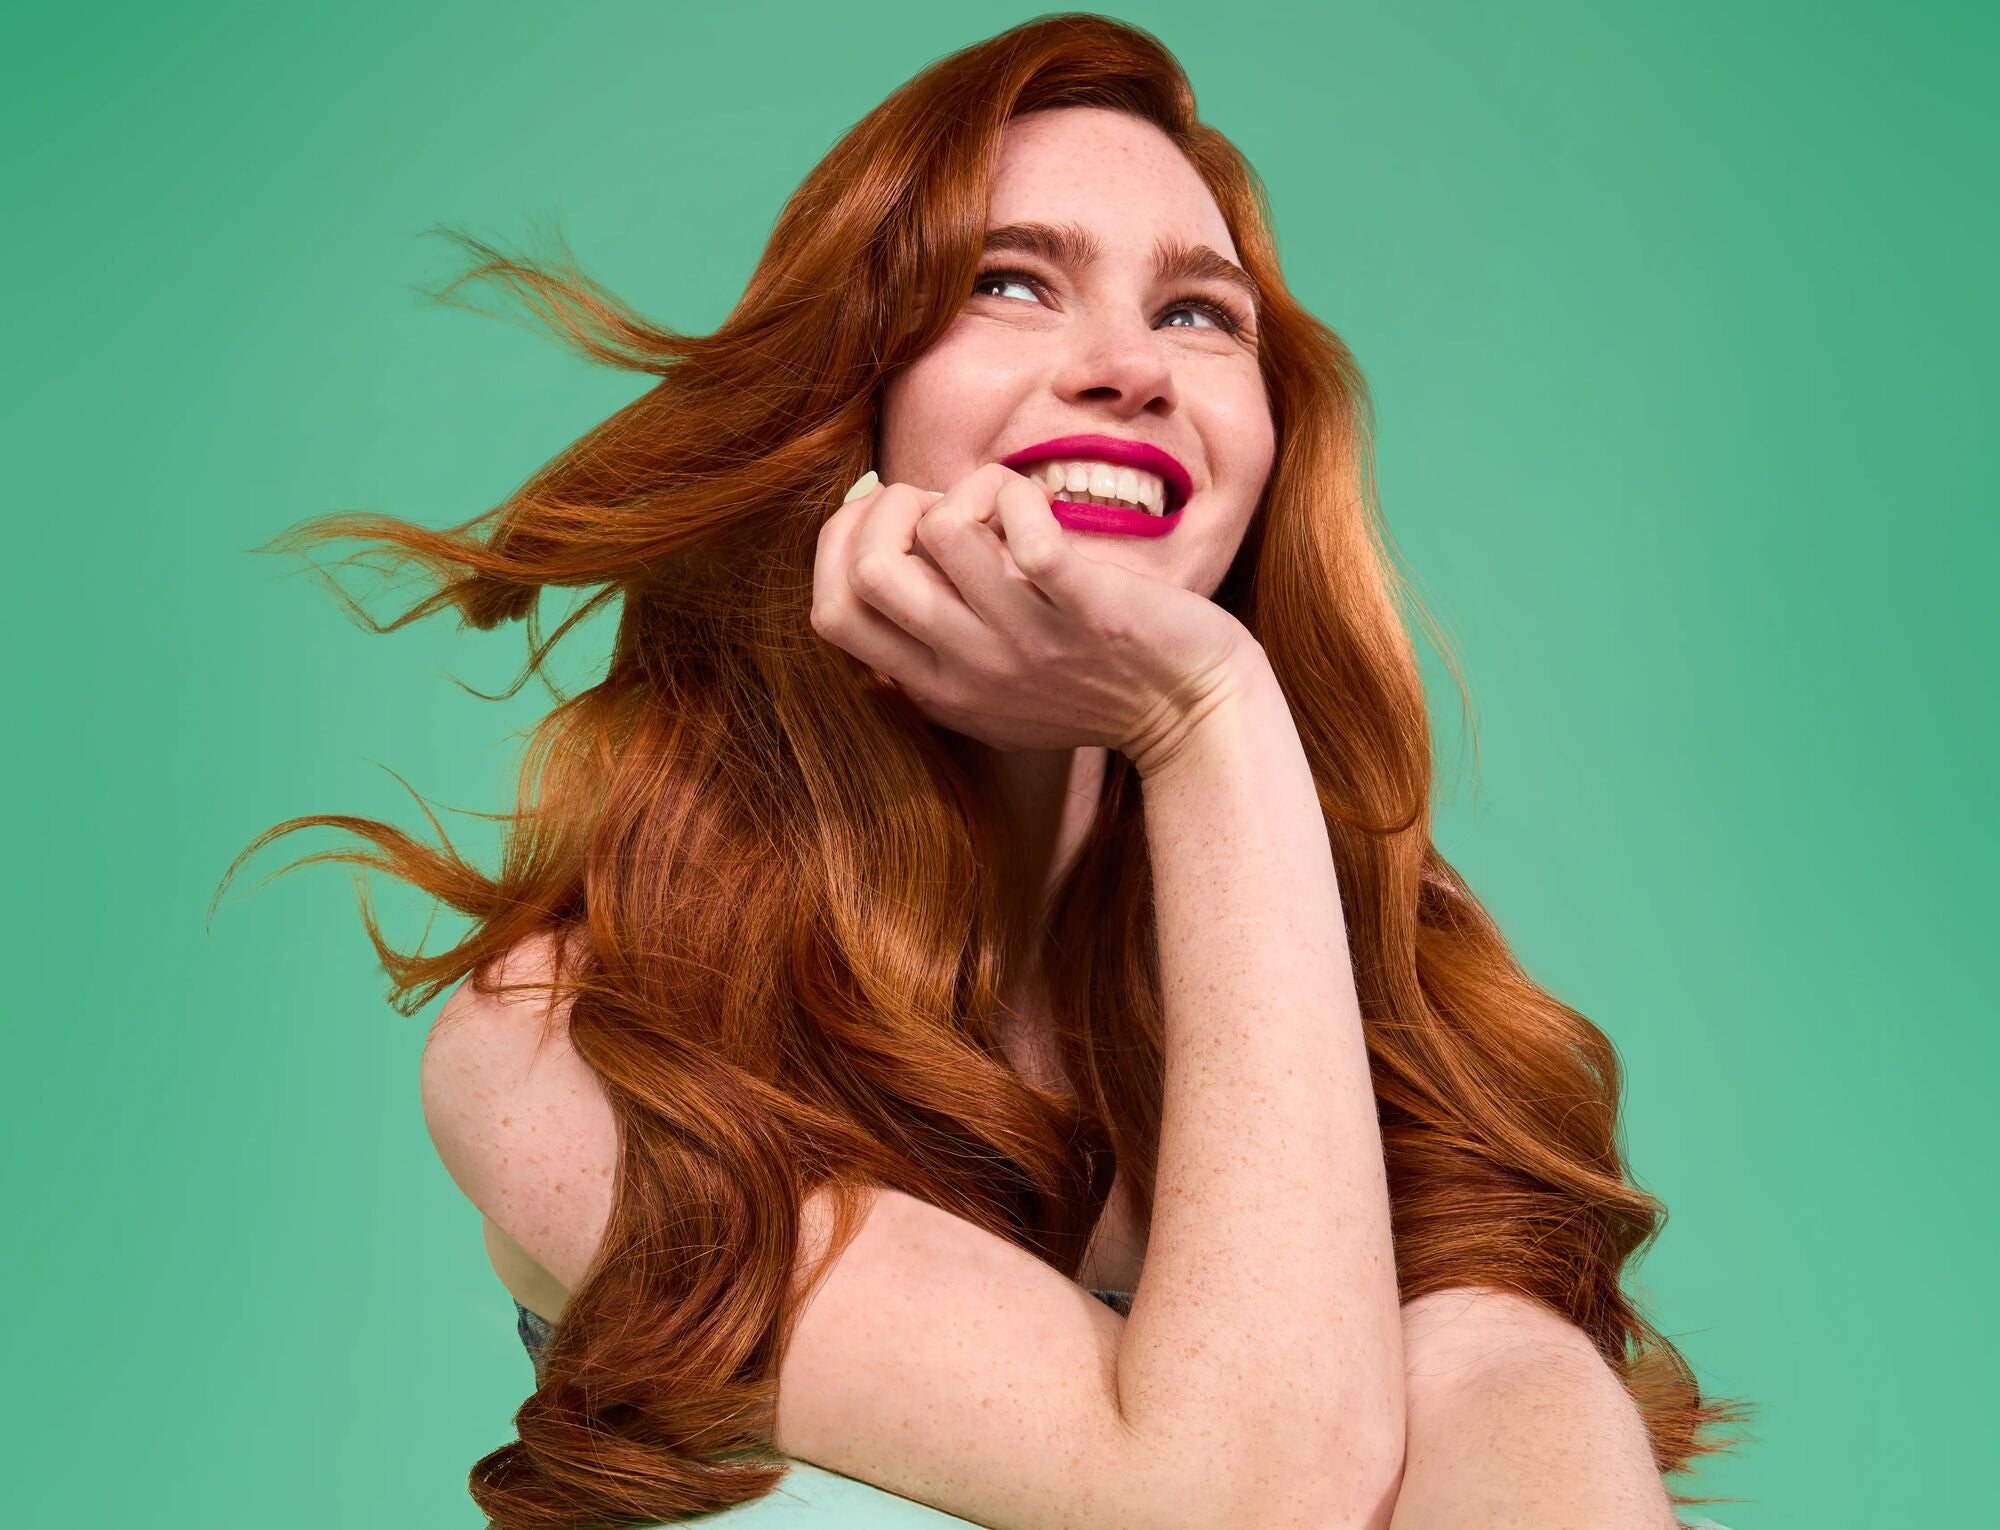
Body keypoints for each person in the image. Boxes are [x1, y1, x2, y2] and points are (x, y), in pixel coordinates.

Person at [223, 14, 1752, 1528]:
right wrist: (1200, 712)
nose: (1131, 368)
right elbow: (1246, 1500)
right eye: (1010, 281)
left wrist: (1217, 733)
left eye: (1200, 313)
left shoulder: (1392, 974)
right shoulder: (568, 1043)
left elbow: (1519, 1414)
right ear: (852, 397)